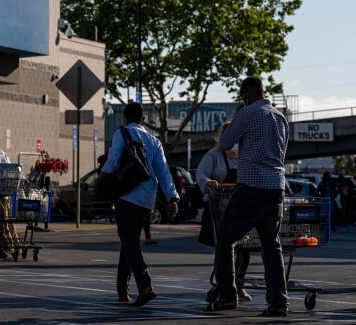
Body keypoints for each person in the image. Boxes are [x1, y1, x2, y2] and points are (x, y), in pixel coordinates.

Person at [213, 77, 289, 317]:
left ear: (246, 94)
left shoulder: (247, 113)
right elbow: (281, 152)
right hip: (276, 186)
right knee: (271, 244)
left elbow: (224, 142)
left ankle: (227, 295)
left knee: (225, 238)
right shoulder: (280, 117)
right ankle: (279, 301)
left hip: (252, 186)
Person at [99, 102, 179, 307]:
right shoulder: (154, 140)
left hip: (126, 195)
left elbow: (114, 159)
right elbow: (163, 171)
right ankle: (122, 292)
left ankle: (145, 285)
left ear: (124, 118)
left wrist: (102, 177)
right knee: (130, 242)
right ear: (143, 119)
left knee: (130, 243)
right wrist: (172, 197)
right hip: (147, 200)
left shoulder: (122, 133)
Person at [196, 122, 251, 301]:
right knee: (224, 249)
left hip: (242, 209)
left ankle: (239, 284)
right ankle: (224, 284)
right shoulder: (214, 155)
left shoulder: (246, 157)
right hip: (219, 210)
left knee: (245, 249)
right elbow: (201, 173)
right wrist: (208, 183)